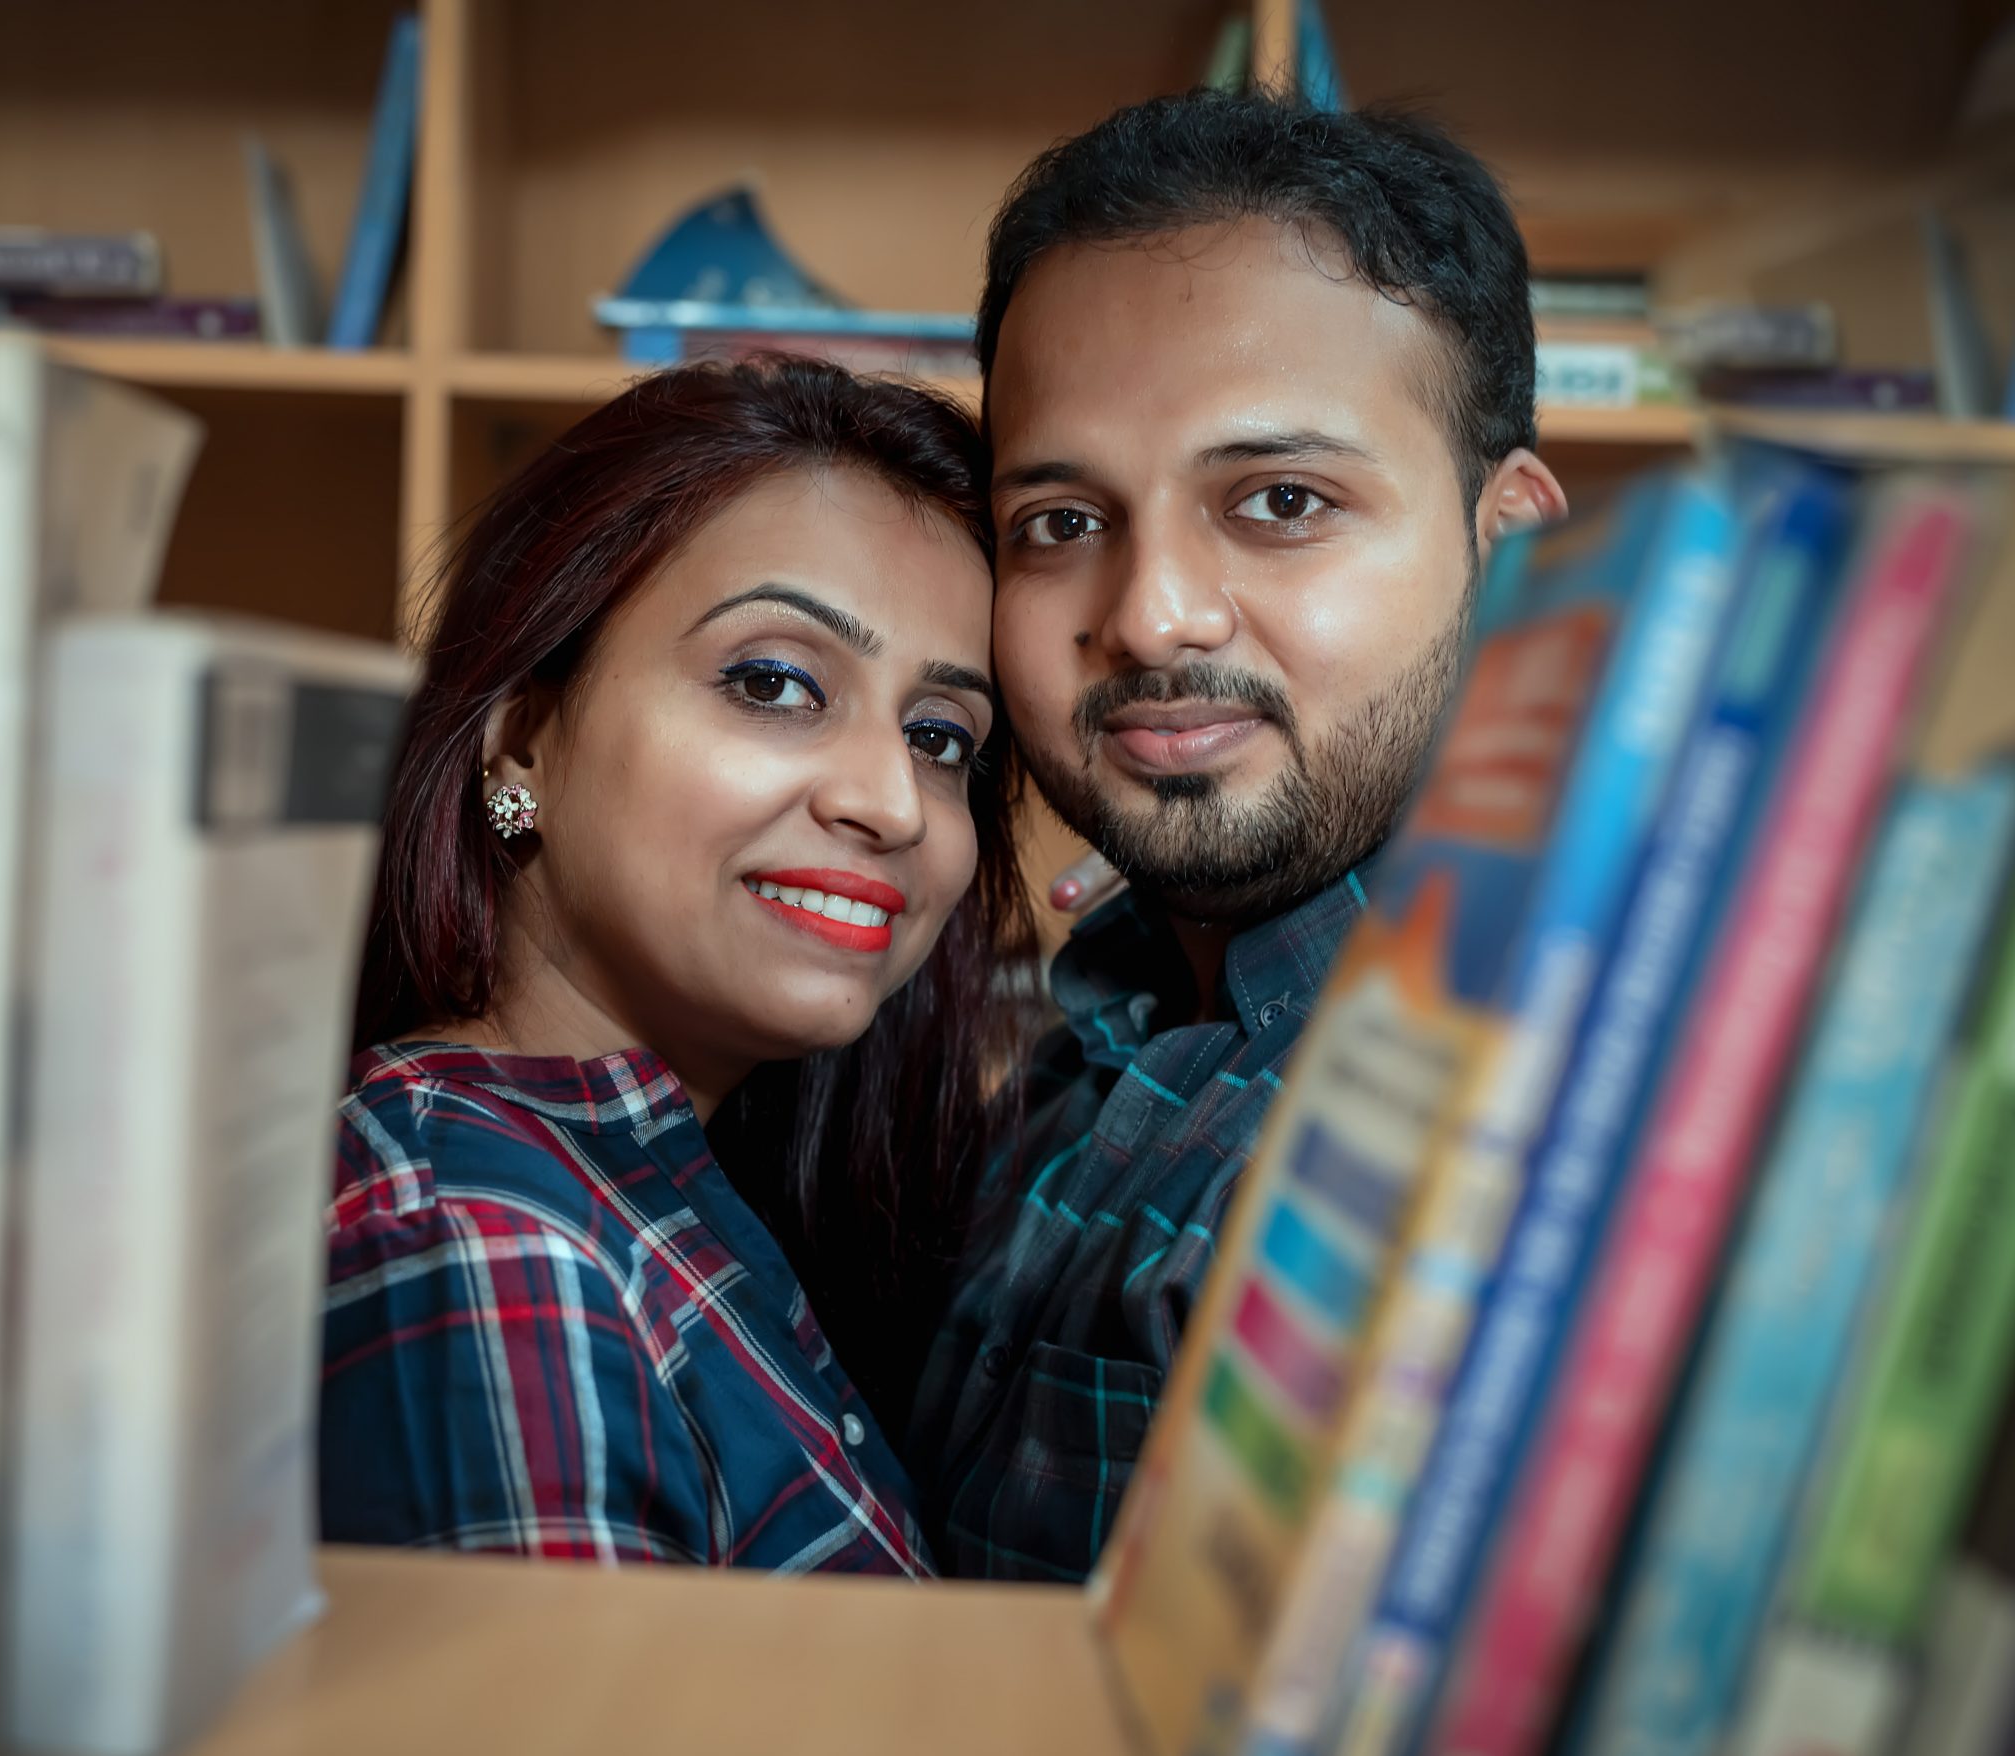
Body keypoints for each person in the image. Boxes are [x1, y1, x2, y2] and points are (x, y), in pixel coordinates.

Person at [908, 89, 1569, 1581]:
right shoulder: (1101, 1025)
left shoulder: (1527, 1135)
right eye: (1063, 523)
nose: (1149, 618)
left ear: (1508, 539)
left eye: (1280, 499)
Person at [322, 358, 1035, 1573]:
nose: (890, 803)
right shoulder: (485, 1234)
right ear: (524, 741)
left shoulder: (663, 1179)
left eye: (938, 737)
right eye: (774, 683)